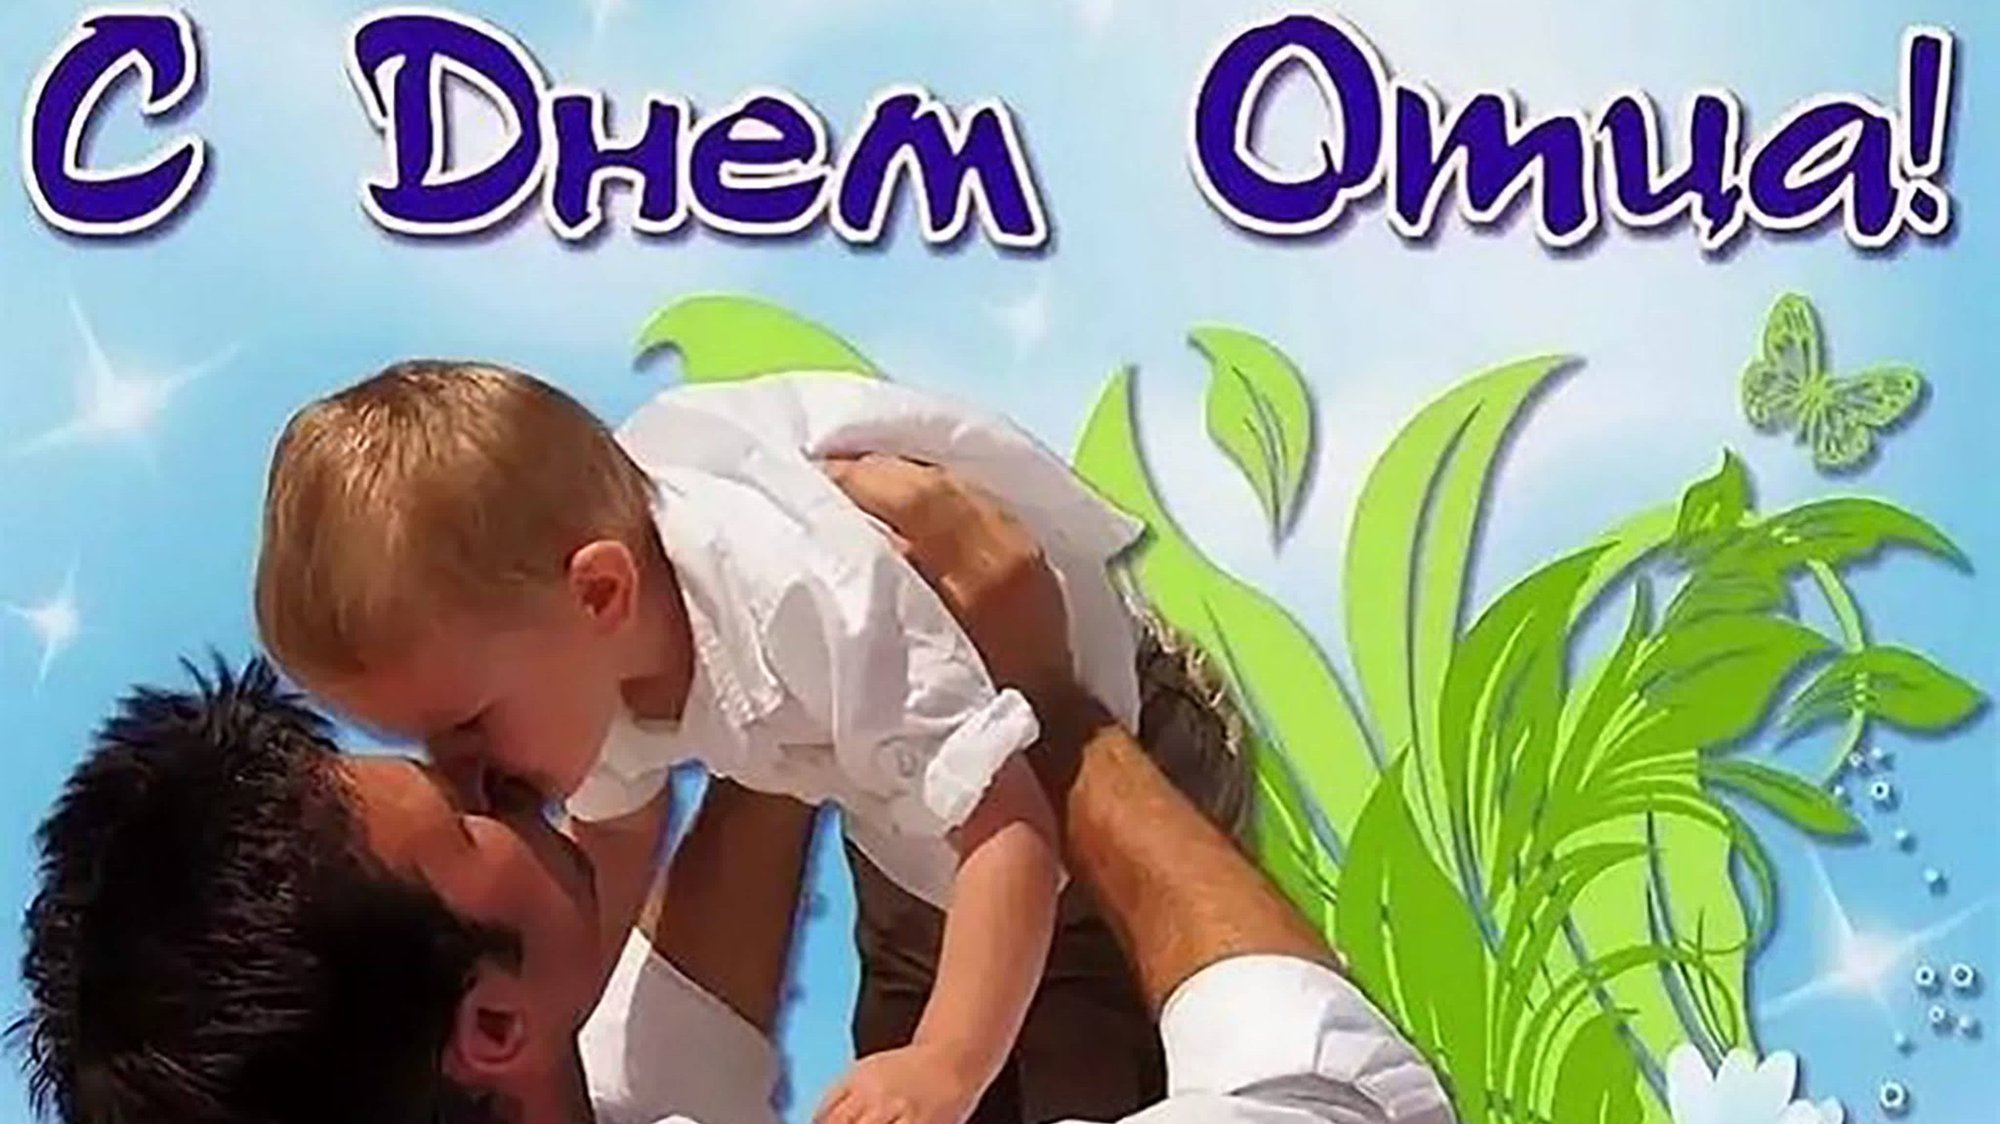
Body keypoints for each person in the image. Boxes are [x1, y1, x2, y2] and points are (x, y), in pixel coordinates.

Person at [13, 455, 1453, 1124]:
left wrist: (777, 648)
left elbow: (661, 1049)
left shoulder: (522, 1072)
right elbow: (1342, 1099)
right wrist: (1051, 711)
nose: (498, 781)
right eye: (467, 815)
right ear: (492, 1027)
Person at [252, 364, 1151, 1124]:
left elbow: (1010, 829)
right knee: (896, 1067)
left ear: (600, 593)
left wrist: (947, 1061)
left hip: (1071, 807)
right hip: (911, 830)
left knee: (1084, 1061)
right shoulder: (568, 656)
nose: (465, 780)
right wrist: (549, 1025)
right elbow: (612, 840)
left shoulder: (807, 601)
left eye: (468, 728)